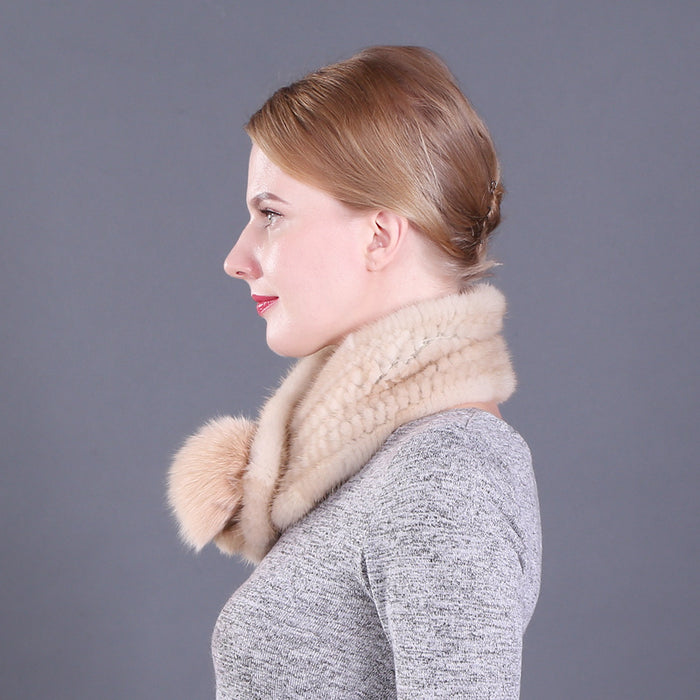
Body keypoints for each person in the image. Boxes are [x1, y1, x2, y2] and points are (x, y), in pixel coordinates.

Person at [168, 45, 541, 698]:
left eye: (271, 214)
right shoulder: (385, 463)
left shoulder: (444, 473)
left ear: (379, 236)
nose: (237, 257)